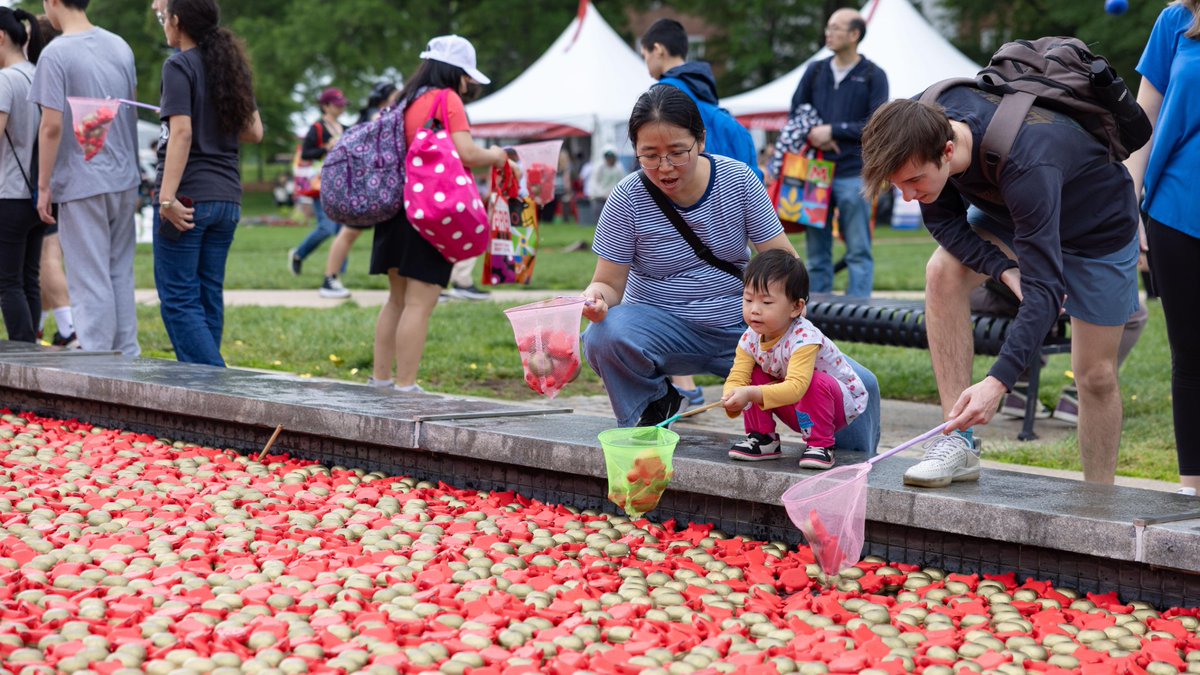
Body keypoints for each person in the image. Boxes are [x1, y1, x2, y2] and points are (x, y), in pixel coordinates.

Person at [860, 84, 1141, 487]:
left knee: (1095, 375)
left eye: (914, 181)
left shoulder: (1028, 163)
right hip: (1012, 211)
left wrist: (998, 382)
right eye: (897, 185)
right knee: (943, 271)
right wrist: (1004, 268)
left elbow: (1044, 293)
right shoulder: (918, 123)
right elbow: (943, 223)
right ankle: (957, 441)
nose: (907, 196)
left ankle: (1099, 502)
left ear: (947, 151)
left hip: (1096, 228)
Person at [582, 86, 881, 457]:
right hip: (662, 327)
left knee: (859, 386)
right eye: (650, 156)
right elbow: (609, 283)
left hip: (748, 331)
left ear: (701, 140)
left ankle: (853, 472)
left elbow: (785, 263)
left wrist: (788, 328)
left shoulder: (738, 182)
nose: (665, 167)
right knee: (603, 334)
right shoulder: (627, 198)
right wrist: (596, 299)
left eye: (677, 152)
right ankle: (653, 409)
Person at [369, 35, 517, 392]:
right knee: (421, 303)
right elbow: (466, 153)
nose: (468, 85)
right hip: (432, 215)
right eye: (467, 76)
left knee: (396, 300)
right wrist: (498, 155)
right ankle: (406, 386)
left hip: (396, 211)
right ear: (457, 72)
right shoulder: (446, 99)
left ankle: (381, 380)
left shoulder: (406, 100)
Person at [152, 0, 262, 367]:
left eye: (165, 18)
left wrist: (166, 198)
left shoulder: (178, 66)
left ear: (177, 21)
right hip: (227, 198)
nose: (163, 24)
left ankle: (215, 388)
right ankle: (208, 396)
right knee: (207, 293)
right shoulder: (231, 69)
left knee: (180, 297)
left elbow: (181, 134)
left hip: (188, 198)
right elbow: (254, 132)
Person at [31, 0, 141, 357]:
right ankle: (127, 358)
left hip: (80, 181)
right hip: (124, 178)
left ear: (52, 2)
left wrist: (44, 185)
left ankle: (97, 366)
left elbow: (50, 126)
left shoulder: (55, 54)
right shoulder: (120, 46)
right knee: (119, 273)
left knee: (88, 278)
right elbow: (130, 111)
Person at [1124, 0, 1200, 495]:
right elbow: (1141, 122)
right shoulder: (1176, 20)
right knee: (1192, 356)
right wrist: (1128, 204)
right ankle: (1196, 493)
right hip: (1177, 208)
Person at [722, 250, 868, 467]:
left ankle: (821, 444)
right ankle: (763, 438)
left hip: (835, 407)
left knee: (814, 381)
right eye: (748, 299)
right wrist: (731, 398)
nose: (754, 310)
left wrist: (750, 393)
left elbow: (797, 387)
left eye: (767, 302)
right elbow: (738, 376)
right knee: (752, 373)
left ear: (796, 307)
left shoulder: (804, 339)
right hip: (794, 404)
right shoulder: (750, 338)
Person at [789, 8, 888, 299]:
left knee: (858, 249)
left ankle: (861, 313)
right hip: (814, 172)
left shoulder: (873, 75)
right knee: (816, 252)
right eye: (828, 27)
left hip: (852, 173)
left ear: (854, 34)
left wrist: (832, 131)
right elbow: (797, 111)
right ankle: (818, 313)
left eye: (836, 28)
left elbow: (877, 124)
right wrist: (813, 134)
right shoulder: (815, 70)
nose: (828, 32)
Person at [639, 17, 759, 177]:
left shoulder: (661, 94)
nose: (646, 64)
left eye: (645, 55)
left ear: (658, 49)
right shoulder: (703, 88)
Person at [318, 82, 403, 301]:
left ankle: (330, 278)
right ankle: (329, 278)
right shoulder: (379, 117)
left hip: (369, 184)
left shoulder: (370, 115)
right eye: (396, 96)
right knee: (350, 232)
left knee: (351, 233)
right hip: (372, 185)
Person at [0, 8, 46, 344]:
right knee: (29, 279)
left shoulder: (5, 80)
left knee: (7, 283)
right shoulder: (36, 74)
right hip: (36, 195)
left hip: (9, 193)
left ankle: (22, 355)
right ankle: (34, 356)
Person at [286, 87, 348, 297]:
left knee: (343, 229)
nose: (340, 108)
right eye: (336, 104)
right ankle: (299, 254)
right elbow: (306, 152)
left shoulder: (344, 127)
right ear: (326, 105)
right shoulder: (317, 128)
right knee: (326, 228)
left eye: (342, 104)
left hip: (341, 183)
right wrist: (326, 148)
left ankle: (337, 273)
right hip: (320, 184)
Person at [586, 145, 626, 216]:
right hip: (600, 198)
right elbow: (594, 182)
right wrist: (599, 194)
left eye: (611, 156)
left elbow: (622, 182)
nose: (609, 158)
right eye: (607, 156)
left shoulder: (619, 168)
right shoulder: (599, 167)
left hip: (614, 199)